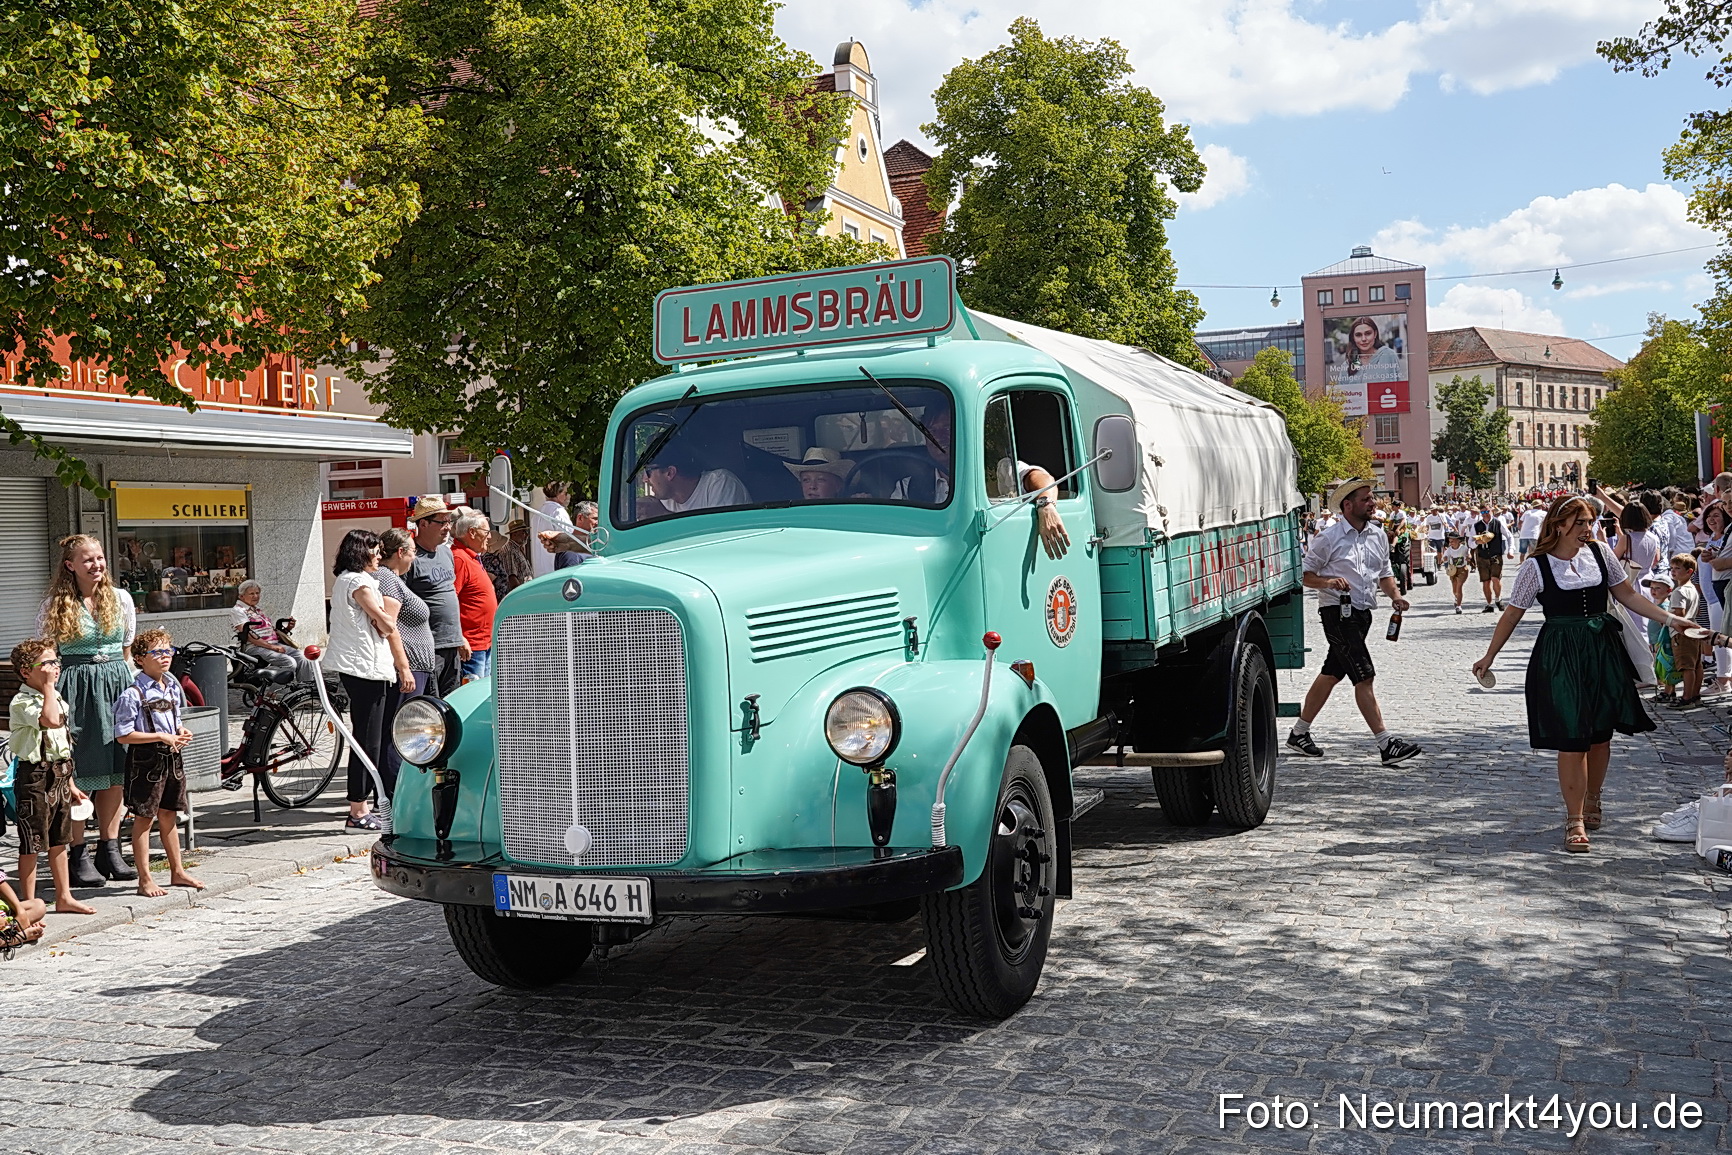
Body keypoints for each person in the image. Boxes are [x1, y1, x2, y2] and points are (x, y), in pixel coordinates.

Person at [1472, 496, 1694, 853]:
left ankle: (1593, 797)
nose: (1587, 529)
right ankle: (1574, 819)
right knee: (1572, 736)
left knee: (1600, 735)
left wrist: (1670, 619)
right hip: (1560, 653)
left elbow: (1627, 596)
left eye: (1590, 522)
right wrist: (1489, 656)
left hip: (1601, 649)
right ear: (1559, 525)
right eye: (1579, 523)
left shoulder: (1601, 555)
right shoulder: (1536, 566)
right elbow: (1512, 614)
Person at [1285, 479, 1422, 766]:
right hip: (1337, 613)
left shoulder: (1377, 535)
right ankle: (1386, 745)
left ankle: (1299, 734)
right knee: (1364, 674)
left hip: (1362, 614)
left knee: (1332, 673)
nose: (1372, 503)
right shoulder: (1328, 537)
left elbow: (1385, 573)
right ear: (1348, 505)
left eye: (1372, 499)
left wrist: (1395, 596)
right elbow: (1305, 575)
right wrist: (1328, 582)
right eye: (1366, 499)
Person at [37, 533, 136, 887]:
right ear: (70, 566)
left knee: (116, 768)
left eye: (100, 558)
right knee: (78, 773)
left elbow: (126, 652)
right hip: (76, 689)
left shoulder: (121, 599)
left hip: (117, 686)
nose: (97, 565)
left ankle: (110, 848)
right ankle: (78, 852)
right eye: (88, 560)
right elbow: (47, 657)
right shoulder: (55, 605)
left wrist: (133, 692)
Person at [327, 529, 412, 831]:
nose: (379, 555)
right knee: (367, 741)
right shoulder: (359, 582)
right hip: (365, 668)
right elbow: (386, 623)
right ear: (361, 552)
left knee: (366, 736)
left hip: (358, 667)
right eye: (375, 550)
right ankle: (357, 810)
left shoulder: (345, 581)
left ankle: (360, 806)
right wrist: (385, 622)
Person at [114, 628, 205, 897]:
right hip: (146, 760)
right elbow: (122, 734)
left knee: (169, 814)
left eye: (169, 651)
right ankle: (145, 879)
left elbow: (175, 721)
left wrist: (181, 731)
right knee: (144, 817)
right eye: (158, 652)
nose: (165, 657)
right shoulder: (132, 694)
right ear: (141, 658)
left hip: (172, 757)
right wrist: (160, 736)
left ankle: (177, 871)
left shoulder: (172, 686)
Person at [8, 639, 94, 915]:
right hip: (34, 776)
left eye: (55, 662)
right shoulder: (22, 701)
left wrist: (70, 782)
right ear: (26, 671)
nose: (54, 668)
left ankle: (64, 896)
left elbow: (62, 743)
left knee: (60, 839)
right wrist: (47, 687)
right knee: (32, 841)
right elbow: (50, 721)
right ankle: (28, 902)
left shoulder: (54, 697)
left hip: (59, 774)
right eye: (46, 663)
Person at [404, 495, 464, 696]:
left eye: (449, 521)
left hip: (451, 643)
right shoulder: (411, 559)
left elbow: (449, 595)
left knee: (452, 702)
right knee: (431, 705)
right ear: (423, 523)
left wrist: (460, 637)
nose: (447, 527)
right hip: (428, 647)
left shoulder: (446, 553)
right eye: (442, 522)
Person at [229, 580, 316, 682]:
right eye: (251, 593)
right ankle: (270, 692)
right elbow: (247, 634)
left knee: (303, 658)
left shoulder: (256, 610)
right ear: (241, 596)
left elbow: (270, 633)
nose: (255, 596)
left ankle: (306, 690)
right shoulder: (238, 611)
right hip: (253, 647)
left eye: (257, 593)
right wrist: (272, 647)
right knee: (289, 662)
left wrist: (288, 629)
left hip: (271, 644)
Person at [451, 509, 499, 683]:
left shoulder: (471, 557)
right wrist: (460, 637)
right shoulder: (460, 558)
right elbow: (450, 600)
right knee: (474, 698)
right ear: (472, 532)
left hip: (483, 642)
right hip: (472, 645)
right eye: (486, 532)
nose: (489, 537)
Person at [643, 445, 751, 513]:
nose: (645, 479)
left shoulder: (720, 483)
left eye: (648, 472)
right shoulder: (665, 501)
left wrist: (662, 515)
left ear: (670, 473)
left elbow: (718, 537)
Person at [530, 481, 575, 580]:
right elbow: (570, 538)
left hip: (539, 571)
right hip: (555, 569)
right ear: (558, 494)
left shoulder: (537, 513)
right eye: (565, 493)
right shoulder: (558, 512)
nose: (567, 496)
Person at [480, 522, 533, 602]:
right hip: (516, 596)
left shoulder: (517, 549)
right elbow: (512, 577)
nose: (526, 535)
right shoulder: (510, 551)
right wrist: (520, 597)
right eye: (523, 532)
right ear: (514, 534)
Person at [0, 865, 46, 955]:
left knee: (38, 906)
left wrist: (20, 912)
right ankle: (15, 938)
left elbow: (1, 882)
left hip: (4, 913)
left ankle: (15, 927)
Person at [784, 447, 856, 501]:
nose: (812, 486)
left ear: (838, 485)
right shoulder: (795, 513)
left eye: (820, 480)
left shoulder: (846, 510)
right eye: (806, 480)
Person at [1471, 507, 1508, 611]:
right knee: (1486, 581)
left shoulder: (1498, 523)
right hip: (1482, 556)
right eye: (1483, 512)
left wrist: (1510, 550)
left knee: (1495, 578)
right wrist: (1477, 543)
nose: (1485, 514)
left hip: (1495, 555)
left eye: (1487, 511)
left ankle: (1498, 598)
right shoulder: (1476, 525)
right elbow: (1470, 541)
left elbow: (1509, 536)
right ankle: (1489, 604)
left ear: (1492, 512)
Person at [1442, 531, 1473, 613]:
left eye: (1452, 541)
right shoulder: (1449, 550)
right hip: (1453, 571)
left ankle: (1459, 606)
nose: (1451, 543)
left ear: (1458, 540)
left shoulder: (1464, 548)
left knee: (1459, 586)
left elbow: (1469, 555)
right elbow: (1444, 557)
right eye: (1450, 541)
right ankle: (1456, 598)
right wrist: (1444, 559)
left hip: (1462, 569)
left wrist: (1468, 557)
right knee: (1454, 589)